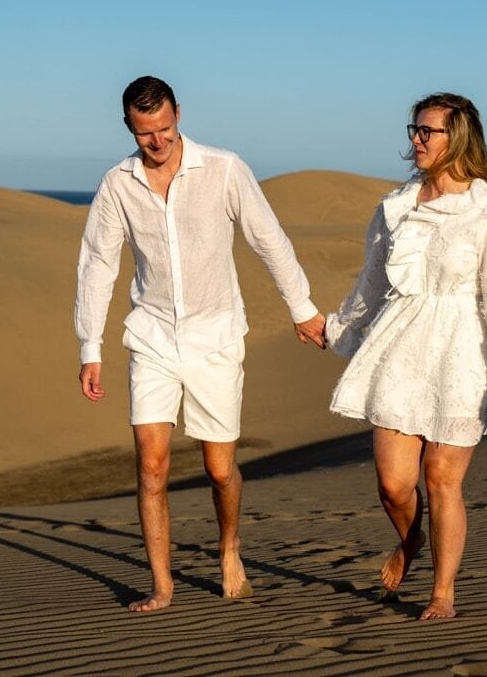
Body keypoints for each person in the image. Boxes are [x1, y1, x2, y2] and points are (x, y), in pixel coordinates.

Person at [75, 76, 327, 612]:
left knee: (218, 469)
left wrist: (302, 308)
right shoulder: (117, 184)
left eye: (165, 128)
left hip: (215, 336)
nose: (158, 142)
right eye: (145, 134)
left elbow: (267, 238)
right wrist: (89, 347)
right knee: (152, 464)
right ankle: (162, 586)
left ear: (179, 115)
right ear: (129, 128)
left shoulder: (224, 169)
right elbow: (98, 265)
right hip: (152, 337)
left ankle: (229, 547)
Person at [325, 93, 487, 620]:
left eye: (426, 132)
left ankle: (443, 593)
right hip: (399, 348)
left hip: (462, 353)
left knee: (442, 479)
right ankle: (411, 540)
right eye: (414, 130)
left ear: (457, 138)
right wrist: (337, 328)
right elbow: (372, 282)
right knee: (394, 485)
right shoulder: (395, 206)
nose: (415, 140)